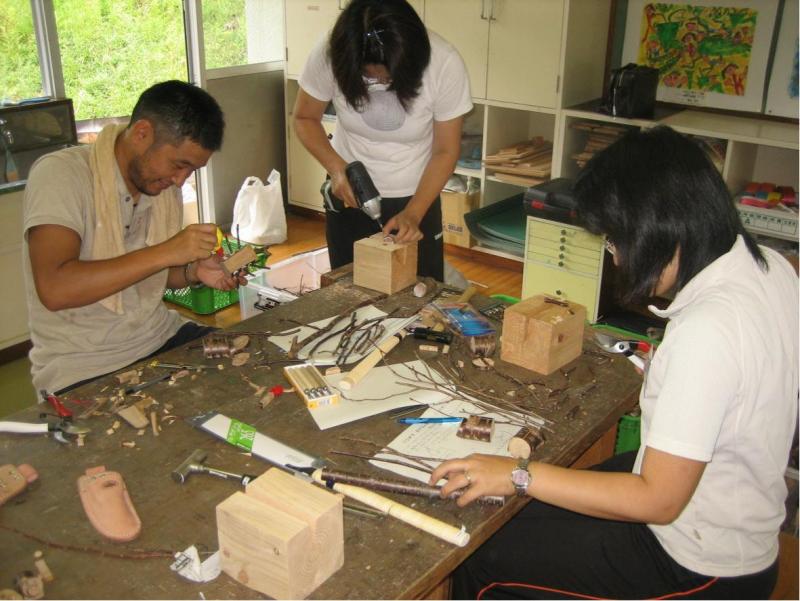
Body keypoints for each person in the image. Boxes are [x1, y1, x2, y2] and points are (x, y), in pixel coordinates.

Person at [430, 126, 798, 599]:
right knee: (509, 511)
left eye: (614, 240)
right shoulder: (768, 263)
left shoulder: (708, 331)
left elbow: (659, 501)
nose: (617, 256)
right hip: (727, 510)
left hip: (699, 566)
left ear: (658, 229)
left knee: (485, 556)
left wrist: (519, 474)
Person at [23, 80, 241, 395]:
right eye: (179, 165)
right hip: (83, 364)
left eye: (191, 171)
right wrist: (168, 251)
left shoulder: (160, 184)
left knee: (254, 359)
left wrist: (193, 272)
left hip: (159, 336)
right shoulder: (62, 175)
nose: (180, 181)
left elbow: (149, 276)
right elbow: (55, 289)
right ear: (141, 134)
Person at [293, 0, 472, 282]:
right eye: (368, 75)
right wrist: (338, 170)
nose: (378, 83)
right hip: (350, 193)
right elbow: (304, 118)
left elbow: (446, 150)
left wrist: (413, 213)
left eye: (388, 76)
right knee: (348, 290)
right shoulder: (332, 52)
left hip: (417, 193)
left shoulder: (443, 61)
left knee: (421, 291)